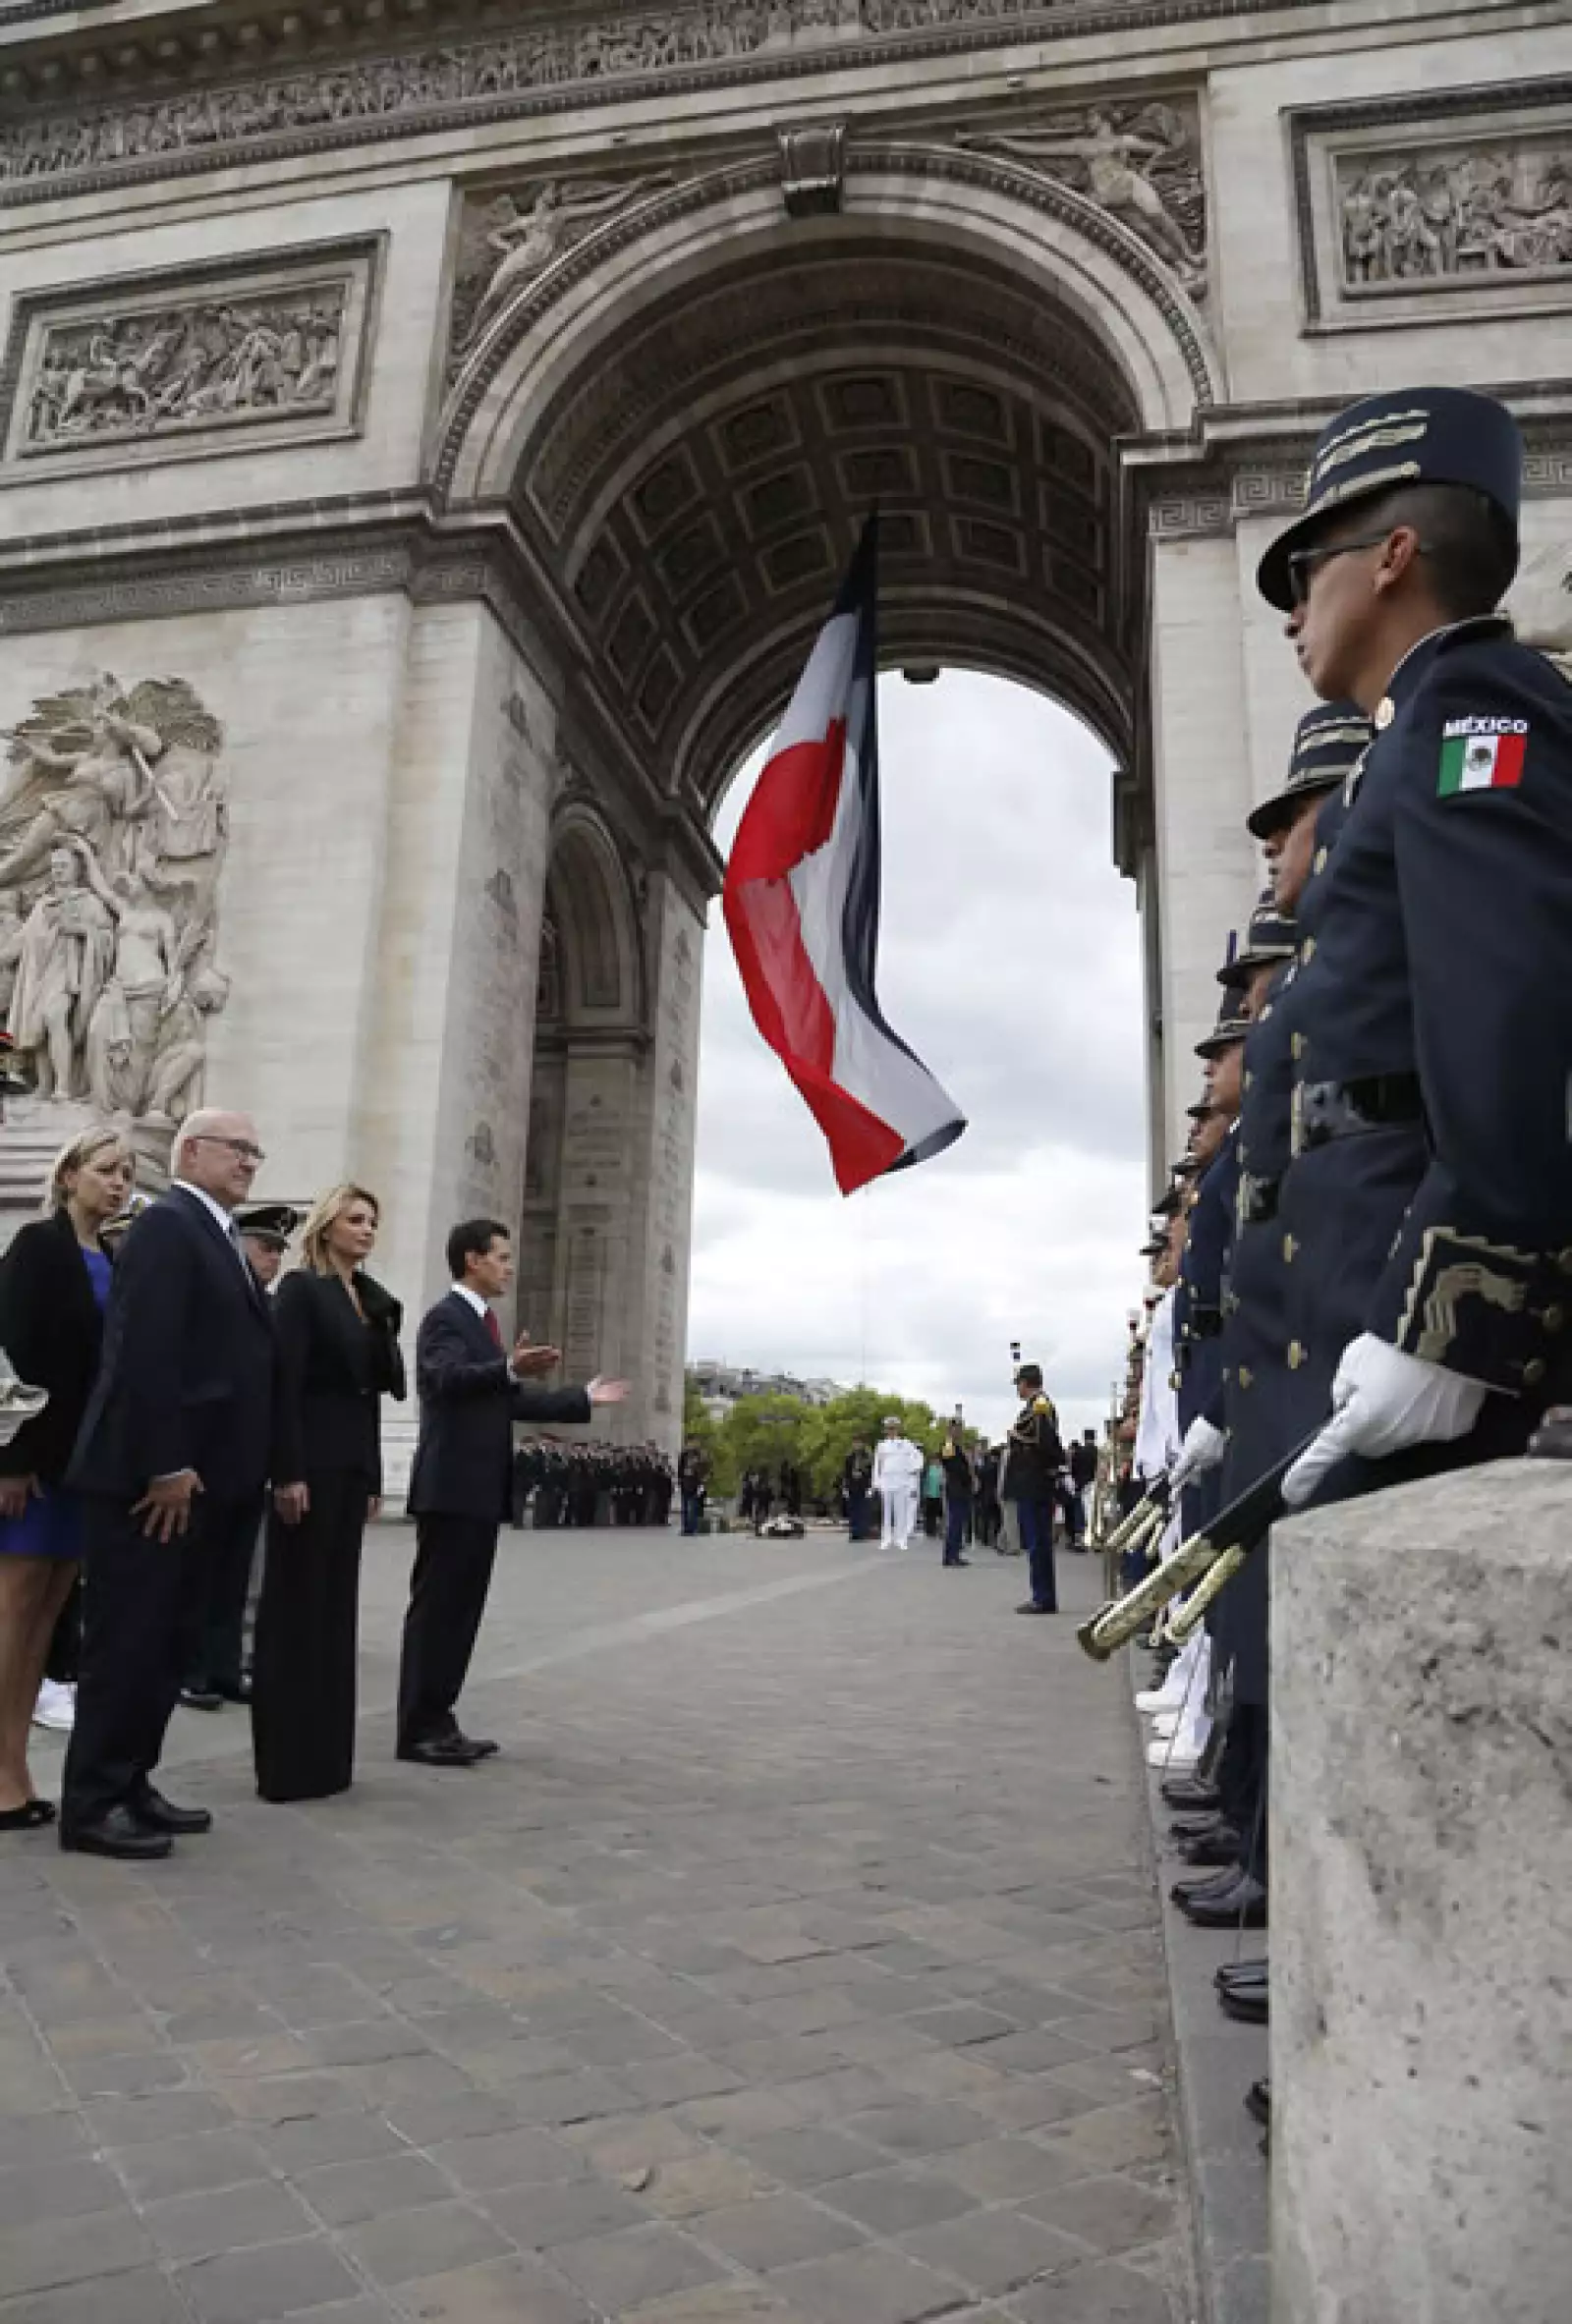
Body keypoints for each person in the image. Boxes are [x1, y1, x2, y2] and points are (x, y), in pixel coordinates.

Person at [1256, 387, 1572, 1506]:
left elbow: (1507, 1019)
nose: (1289, 611)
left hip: (1415, 1307)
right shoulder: (1403, 747)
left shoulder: (1471, 706)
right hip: (1360, 1279)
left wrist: (1451, 1321)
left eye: (1304, 570)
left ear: (1391, 554)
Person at [60, 1108, 274, 1858]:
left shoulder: (212, 1233)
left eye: (257, 1150)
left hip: (198, 1483)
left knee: (167, 1642)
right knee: (127, 1641)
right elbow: (145, 1353)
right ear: (189, 1150)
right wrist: (166, 1462)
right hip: (151, 1483)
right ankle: (91, 1802)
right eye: (237, 1148)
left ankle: (132, 1781)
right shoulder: (165, 1225)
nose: (252, 1160)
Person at [397, 1218, 628, 1765]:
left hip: (477, 1491)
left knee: (462, 1613)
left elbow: (508, 1399)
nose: (509, 1266)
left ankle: (441, 1718)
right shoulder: (444, 1319)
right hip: (450, 1489)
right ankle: (417, 1728)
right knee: (438, 1613)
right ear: (472, 1260)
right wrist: (506, 1367)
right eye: (501, 1256)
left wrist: (582, 1400)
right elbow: (445, 1381)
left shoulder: (483, 1323)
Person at [252, 1184, 405, 1803]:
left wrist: (372, 1478)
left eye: (373, 1220)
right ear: (327, 1226)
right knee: (296, 1609)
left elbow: (369, 1397)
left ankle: (327, 1758)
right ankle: (287, 1764)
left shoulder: (368, 1300)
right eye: (356, 1219)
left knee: (336, 1611)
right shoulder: (300, 1291)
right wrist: (286, 1471)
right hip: (307, 1466)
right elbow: (282, 1385)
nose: (367, 1230)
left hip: (348, 1470)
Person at [0, 1127, 134, 1831]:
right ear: (69, 1174)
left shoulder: (111, 1254)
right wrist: (11, 1462)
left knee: (46, 1619)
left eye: (128, 1173)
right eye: (107, 1169)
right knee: (13, 1616)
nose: (119, 1183)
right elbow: (10, 1353)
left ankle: (14, 1769)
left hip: (85, 1464)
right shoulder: (37, 1247)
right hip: (35, 1467)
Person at [1004, 1362, 1065, 1614]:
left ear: (1026, 1383)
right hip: (1034, 1482)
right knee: (1037, 1541)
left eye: (1019, 1383)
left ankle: (1042, 1597)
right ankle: (1042, 1595)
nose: (1017, 1388)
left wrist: (1016, 1438)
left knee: (1037, 1542)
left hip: (1034, 1482)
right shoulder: (1036, 1405)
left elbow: (1043, 1441)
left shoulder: (1039, 1405)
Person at [871, 1416, 922, 1550]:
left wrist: (912, 1469)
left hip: (901, 1481)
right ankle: (886, 1539)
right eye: (889, 1428)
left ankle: (901, 1539)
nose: (891, 1431)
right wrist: (876, 1482)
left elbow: (918, 1457)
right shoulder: (881, 1445)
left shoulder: (906, 1443)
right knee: (886, 1512)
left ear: (898, 1429)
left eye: (894, 1428)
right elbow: (877, 1464)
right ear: (886, 1430)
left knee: (901, 1512)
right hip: (887, 1480)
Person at [938, 1427, 973, 1568]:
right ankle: (951, 1556)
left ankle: (954, 1555)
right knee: (955, 1523)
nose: (959, 1433)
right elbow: (951, 1465)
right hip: (956, 1488)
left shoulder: (957, 1447)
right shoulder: (948, 1446)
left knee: (958, 1523)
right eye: (955, 1430)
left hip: (961, 1488)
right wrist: (968, 1476)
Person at [677, 1438, 710, 1535]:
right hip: (685, 1483)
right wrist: (680, 1480)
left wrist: (702, 1480)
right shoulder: (684, 1456)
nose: (691, 1445)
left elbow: (705, 1469)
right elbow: (680, 1469)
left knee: (693, 1506)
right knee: (685, 1507)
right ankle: (685, 1528)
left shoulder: (700, 1456)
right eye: (689, 1443)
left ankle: (693, 1527)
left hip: (695, 1484)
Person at [841, 1438, 872, 1539]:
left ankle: (862, 1531)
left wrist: (870, 1487)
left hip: (863, 1486)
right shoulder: (849, 1458)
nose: (857, 1445)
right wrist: (845, 1487)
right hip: (852, 1486)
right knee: (853, 1509)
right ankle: (854, 1531)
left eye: (859, 1443)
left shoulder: (867, 1458)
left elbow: (870, 1474)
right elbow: (846, 1474)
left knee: (862, 1510)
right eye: (855, 1443)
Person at [921, 1452, 944, 1537]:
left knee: (940, 1513)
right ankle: (930, 1530)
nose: (935, 1461)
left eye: (937, 1460)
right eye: (934, 1460)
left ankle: (940, 1530)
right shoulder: (929, 1469)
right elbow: (926, 1481)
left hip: (939, 1495)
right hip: (930, 1494)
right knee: (930, 1513)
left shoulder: (942, 1469)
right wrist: (925, 1492)